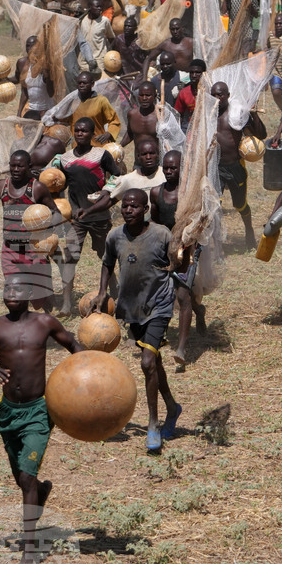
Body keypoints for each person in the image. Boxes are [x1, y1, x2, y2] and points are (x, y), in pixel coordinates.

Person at [0, 276, 81, 564]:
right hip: (8, 413)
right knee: (22, 479)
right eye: (7, 288)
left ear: (30, 293)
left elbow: (73, 345)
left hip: (38, 412)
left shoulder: (45, 323)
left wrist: (91, 375)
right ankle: (40, 493)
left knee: (27, 478)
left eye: (17, 289)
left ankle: (30, 549)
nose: (11, 293)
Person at [96, 189, 180, 451]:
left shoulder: (162, 234)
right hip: (132, 308)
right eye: (125, 207)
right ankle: (173, 407)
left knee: (146, 362)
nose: (129, 210)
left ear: (146, 209)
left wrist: (186, 252)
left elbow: (178, 266)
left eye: (134, 206)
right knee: (153, 361)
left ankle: (153, 424)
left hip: (160, 304)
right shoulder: (115, 236)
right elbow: (107, 264)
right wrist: (102, 293)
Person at [48, 117, 123, 315]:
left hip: (99, 216)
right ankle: (66, 304)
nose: (81, 133)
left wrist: (105, 192)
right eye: (78, 130)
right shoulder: (65, 159)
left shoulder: (101, 155)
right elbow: (59, 184)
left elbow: (116, 176)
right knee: (71, 257)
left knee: (105, 256)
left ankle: (113, 292)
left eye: (85, 131)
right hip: (76, 218)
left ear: (92, 134)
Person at [0, 150, 60, 312]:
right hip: (10, 249)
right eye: (12, 166)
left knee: (40, 296)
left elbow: (56, 214)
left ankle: (49, 323)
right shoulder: (2, 186)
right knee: (15, 293)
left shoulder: (37, 188)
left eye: (20, 166)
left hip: (33, 249)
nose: (15, 169)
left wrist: (42, 228)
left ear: (28, 166)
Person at [150, 150, 205, 369]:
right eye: (166, 167)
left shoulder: (190, 195)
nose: (170, 171)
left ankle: (181, 348)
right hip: (164, 250)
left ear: (183, 170)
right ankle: (199, 313)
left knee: (182, 295)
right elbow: (153, 223)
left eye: (174, 168)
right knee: (164, 294)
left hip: (187, 250)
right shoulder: (156, 193)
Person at [212, 81, 263, 248]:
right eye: (214, 95)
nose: (217, 98)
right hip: (215, 168)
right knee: (214, 206)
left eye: (221, 94)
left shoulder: (236, 115)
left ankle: (249, 230)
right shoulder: (207, 115)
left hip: (235, 166)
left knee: (239, 204)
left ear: (227, 95)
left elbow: (262, 134)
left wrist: (253, 113)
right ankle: (216, 242)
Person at [52, 71, 121, 146]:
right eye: (79, 83)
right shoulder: (73, 102)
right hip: (77, 147)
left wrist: (109, 134)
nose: (81, 85)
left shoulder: (101, 101)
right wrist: (57, 118)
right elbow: (68, 119)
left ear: (92, 84)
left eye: (84, 83)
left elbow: (114, 121)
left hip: (96, 146)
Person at [14, 35, 55, 121]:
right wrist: (19, 112)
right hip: (32, 111)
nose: (30, 48)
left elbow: (51, 93)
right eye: (27, 45)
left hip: (46, 111)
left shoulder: (46, 66)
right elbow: (25, 91)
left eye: (32, 45)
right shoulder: (23, 64)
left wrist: (48, 78)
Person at [78, 0, 114, 74]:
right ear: (90, 7)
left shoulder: (105, 21)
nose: (100, 9)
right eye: (97, 6)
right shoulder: (82, 19)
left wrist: (109, 55)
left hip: (99, 61)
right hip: (83, 61)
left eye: (101, 7)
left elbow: (111, 38)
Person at [174, 59, 205, 132]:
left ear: (204, 73)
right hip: (190, 128)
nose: (194, 75)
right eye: (191, 72)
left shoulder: (210, 91)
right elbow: (178, 114)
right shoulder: (184, 92)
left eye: (197, 73)